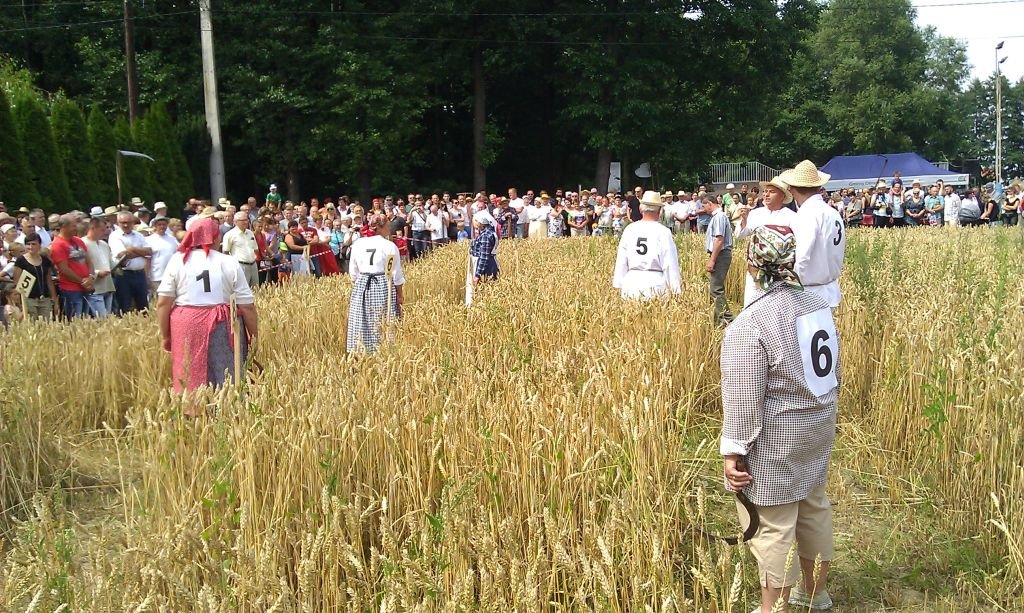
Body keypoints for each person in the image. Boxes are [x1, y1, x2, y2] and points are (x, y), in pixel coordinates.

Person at [720, 224, 839, 613]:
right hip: (818, 424)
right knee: (813, 504)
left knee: (772, 524)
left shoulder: (750, 324)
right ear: (790, 260)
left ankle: (775, 607)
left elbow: (743, 398)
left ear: (752, 263)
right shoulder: (816, 306)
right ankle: (816, 593)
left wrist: (734, 450)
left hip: (777, 437)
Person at [157, 217, 257, 401]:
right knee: (226, 372)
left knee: (189, 371)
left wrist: (165, 335)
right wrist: (254, 336)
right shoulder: (228, 262)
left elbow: (163, 302)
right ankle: (230, 408)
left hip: (186, 324)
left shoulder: (177, 261)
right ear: (214, 237)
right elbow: (247, 306)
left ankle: (193, 409)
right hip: (222, 323)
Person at [781, 160, 846, 308]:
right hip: (830, 290)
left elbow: (802, 257)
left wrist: (792, 286)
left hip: (809, 295)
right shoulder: (831, 212)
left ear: (791, 189)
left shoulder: (807, 214)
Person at [346, 214, 405, 354]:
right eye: (388, 225)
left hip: (362, 284)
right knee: (381, 318)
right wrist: (400, 295)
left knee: (362, 318)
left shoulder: (358, 244)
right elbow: (396, 274)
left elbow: (353, 273)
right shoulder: (389, 246)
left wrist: (360, 282)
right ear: (380, 227)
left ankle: (360, 349)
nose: (390, 228)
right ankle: (383, 349)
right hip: (382, 284)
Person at [736, 176, 798, 307]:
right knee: (751, 304)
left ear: (782, 196)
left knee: (775, 307)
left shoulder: (791, 217)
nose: (766, 194)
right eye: (765, 191)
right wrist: (743, 220)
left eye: (772, 192)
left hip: (779, 273)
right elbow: (740, 235)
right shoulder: (755, 213)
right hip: (755, 270)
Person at [612, 190, 682, 300]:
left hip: (631, 283)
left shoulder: (630, 229)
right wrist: (675, 289)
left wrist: (619, 284)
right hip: (655, 285)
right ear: (659, 211)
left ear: (641, 209)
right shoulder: (663, 232)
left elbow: (621, 260)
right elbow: (669, 262)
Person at [50, 213, 95, 319]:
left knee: (85, 318)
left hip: (86, 287)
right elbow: (64, 269)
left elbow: (88, 260)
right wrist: (83, 282)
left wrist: (91, 277)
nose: (76, 228)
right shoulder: (57, 245)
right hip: (70, 289)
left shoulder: (78, 240)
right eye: (73, 225)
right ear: (64, 227)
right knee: (75, 318)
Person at [109, 211, 153, 314]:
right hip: (123, 275)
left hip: (140, 273)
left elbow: (149, 251)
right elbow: (122, 255)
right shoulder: (114, 236)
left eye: (128, 222)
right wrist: (141, 252)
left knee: (143, 306)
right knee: (125, 306)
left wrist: (132, 249)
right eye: (122, 222)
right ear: (118, 222)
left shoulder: (138, 235)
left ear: (133, 222)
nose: (125, 225)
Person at [12, 232, 59, 320]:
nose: (30, 247)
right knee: (32, 323)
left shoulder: (45, 260)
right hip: (29, 299)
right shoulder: (21, 260)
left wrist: (55, 299)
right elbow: (17, 282)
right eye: (28, 244)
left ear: (39, 245)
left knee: (46, 324)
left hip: (44, 298)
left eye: (33, 244)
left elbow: (49, 281)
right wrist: (20, 302)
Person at [704, 194, 734, 324]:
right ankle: (721, 317)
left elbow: (719, 239)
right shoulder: (718, 217)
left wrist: (712, 259)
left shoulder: (719, 217)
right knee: (715, 288)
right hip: (720, 254)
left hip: (721, 255)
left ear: (710, 203)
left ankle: (725, 319)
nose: (704, 209)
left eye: (704, 206)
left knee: (716, 289)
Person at [82, 217, 117, 317]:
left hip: (108, 285)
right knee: (101, 319)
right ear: (93, 228)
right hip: (95, 288)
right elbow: (81, 265)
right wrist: (97, 273)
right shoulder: (83, 243)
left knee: (108, 318)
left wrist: (122, 262)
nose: (105, 232)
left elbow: (110, 263)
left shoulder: (104, 244)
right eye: (102, 230)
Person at [222, 212, 260, 288]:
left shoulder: (250, 233)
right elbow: (225, 252)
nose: (246, 222)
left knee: (256, 290)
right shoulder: (229, 235)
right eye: (243, 220)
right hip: (240, 266)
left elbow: (255, 248)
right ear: (235, 222)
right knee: (242, 290)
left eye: (247, 220)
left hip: (253, 265)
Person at [147, 216, 180, 294]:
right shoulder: (149, 240)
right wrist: (147, 277)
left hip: (172, 276)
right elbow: (147, 260)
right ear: (155, 226)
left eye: (164, 224)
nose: (162, 226)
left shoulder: (172, 239)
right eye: (159, 224)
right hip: (156, 277)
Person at [469, 210, 500, 285]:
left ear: (479, 222)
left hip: (486, 267)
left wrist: (477, 275)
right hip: (490, 263)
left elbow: (484, 257)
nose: (473, 223)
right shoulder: (490, 232)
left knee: (485, 288)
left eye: (475, 220)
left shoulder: (485, 235)